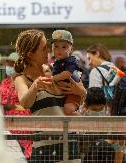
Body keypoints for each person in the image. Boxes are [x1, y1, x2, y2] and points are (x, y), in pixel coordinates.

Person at [14, 29, 86, 162]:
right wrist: (35, 86)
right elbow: (25, 103)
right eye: (43, 49)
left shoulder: (57, 70)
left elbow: (82, 95)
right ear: (30, 54)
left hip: (70, 145)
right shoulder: (22, 79)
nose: (49, 51)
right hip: (45, 149)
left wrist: (81, 92)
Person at [0, 52, 32, 159]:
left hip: (24, 123)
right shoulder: (5, 82)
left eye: (11, 64)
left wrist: (13, 106)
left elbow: (28, 102)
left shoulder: (27, 81)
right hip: (8, 122)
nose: (8, 67)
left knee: (24, 153)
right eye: (8, 64)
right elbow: (3, 102)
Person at [51, 30, 82, 115]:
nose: (59, 50)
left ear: (71, 49)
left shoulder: (71, 60)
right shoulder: (56, 62)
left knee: (68, 109)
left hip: (72, 93)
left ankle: (82, 123)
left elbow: (67, 73)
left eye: (64, 47)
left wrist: (52, 78)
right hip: (62, 93)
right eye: (56, 46)